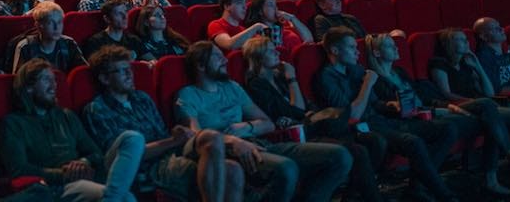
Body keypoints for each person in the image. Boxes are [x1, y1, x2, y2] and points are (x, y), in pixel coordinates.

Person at [176, 40, 353, 202]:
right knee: (286, 168)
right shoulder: (188, 95)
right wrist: (233, 141)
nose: (225, 60)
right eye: (217, 56)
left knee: (340, 156)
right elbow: (197, 136)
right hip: (229, 153)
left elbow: (267, 123)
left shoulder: (232, 87)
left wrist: (246, 126)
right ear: (200, 65)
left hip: (260, 143)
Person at [366, 32, 510, 196]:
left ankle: (498, 173)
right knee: (488, 113)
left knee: (490, 116)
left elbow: (425, 99)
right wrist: (441, 109)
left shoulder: (400, 72)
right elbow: (388, 110)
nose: (395, 47)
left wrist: (447, 106)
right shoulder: (374, 80)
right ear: (377, 53)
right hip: (422, 120)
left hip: (435, 111)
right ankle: (498, 172)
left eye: (395, 44)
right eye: (389, 45)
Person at [314, 27, 459, 202]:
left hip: (381, 120)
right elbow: (353, 116)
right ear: (335, 51)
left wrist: (392, 105)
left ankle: (417, 187)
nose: (357, 53)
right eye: (352, 48)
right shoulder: (326, 78)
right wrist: (367, 84)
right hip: (360, 129)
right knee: (413, 142)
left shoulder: (356, 70)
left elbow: (376, 104)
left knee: (446, 128)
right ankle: (445, 196)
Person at [82, 45, 243, 201]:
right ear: (104, 78)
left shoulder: (141, 98)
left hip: (170, 155)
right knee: (230, 171)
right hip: (146, 168)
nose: (129, 75)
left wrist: (177, 135)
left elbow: (163, 135)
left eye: (129, 69)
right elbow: (124, 157)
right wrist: (172, 141)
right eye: (122, 71)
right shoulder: (98, 109)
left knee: (215, 143)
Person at [243, 37, 385, 202]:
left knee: (373, 140)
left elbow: (305, 106)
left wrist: (304, 110)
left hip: (312, 126)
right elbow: (297, 110)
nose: (277, 52)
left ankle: (353, 195)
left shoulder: (279, 78)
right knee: (358, 151)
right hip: (297, 135)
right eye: (270, 50)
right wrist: (292, 79)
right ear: (258, 56)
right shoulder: (257, 84)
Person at [0, 58, 142, 201]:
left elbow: (96, 153)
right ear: (29, 87)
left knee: (132, 138)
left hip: (89, 173)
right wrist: (64, 173)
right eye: (46, 80)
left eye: (54, 80)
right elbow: (19, 169)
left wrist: (84, 162)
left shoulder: (66, 116)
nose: (53, 85)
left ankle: (110, 198)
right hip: (57, 186)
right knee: (127, 198)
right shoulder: (13, 123)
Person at [11, 2, 86, 73]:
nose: (56, 27)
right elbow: (20, 81)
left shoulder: (69, 43)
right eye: (50, 23)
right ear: (38, 25)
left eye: (59, 22)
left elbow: (82, 73)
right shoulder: (25, 47)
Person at [83, 0, 154, 61]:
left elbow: (152, 61)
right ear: (107, 19)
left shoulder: (133, 40)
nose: (125, 17)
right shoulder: (96, 42)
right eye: (119, 13)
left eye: (125, 12)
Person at [244, 0, 313, 57]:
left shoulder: (286, 27)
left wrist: (292, 18)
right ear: (260, 11)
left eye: (275, 5)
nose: (276, 9)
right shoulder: (254, 33)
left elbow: (309, 40)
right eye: (271, 5)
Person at [474, 17, 510, 93]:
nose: (501, 30)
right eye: (495, 29)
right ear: (483, 36)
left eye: (500, 26)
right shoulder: (483, 58)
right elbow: (496, 89)